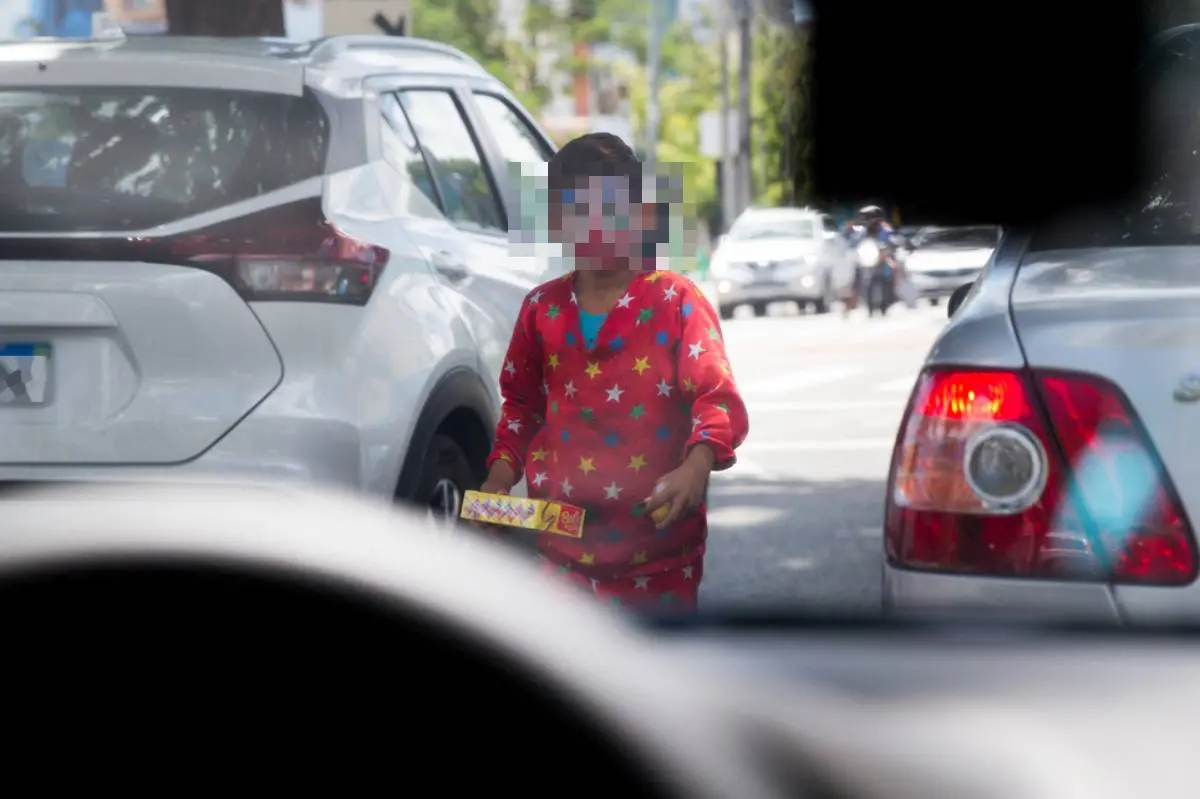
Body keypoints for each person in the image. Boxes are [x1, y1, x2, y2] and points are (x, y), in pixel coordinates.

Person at [478, 133, 750, 612]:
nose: (597, 224)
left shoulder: (676, 301)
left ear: (642, 216)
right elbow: (521, 407)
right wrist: (498, 481)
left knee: (651, 658)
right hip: (559, 548)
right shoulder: (540, 309)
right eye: (578, 210)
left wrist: (696, 467)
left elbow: (716, 396)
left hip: (659, 553)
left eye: (612, 208)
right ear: (556, 221)